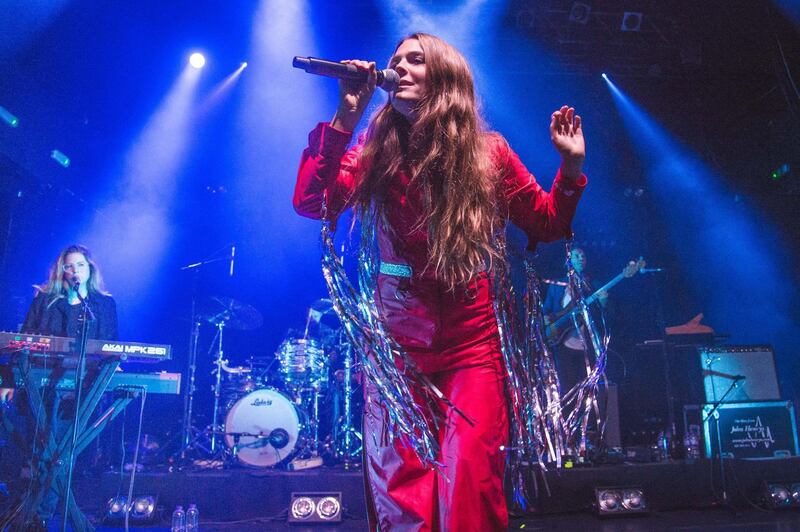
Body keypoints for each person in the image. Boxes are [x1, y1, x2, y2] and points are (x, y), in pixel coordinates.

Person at [294, 33, 586, 531]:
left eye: (415, 60)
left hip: (472, 348)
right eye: (395, 61)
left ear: (445, 77)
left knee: (470, 483)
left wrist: (571, 165)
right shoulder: (373, 149)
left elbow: (546, 222)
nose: (399, 68)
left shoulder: (488, 153)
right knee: (403, 496)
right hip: (397, 349)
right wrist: (345, 117)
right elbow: (313, 203)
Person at [0, 244, 118, 529]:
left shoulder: (103, 304)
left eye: (80, 265)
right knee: (42, 451)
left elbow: (111, 345)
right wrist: (9, 380)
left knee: (61, 453)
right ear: (61, 271)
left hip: (81, 388)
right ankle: (36, 516)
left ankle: (35, 516)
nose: (74, 270)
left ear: (90, 269)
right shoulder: (45, 300)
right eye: (69, 266)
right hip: (41, 384)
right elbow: (23, 342)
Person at [542, 247, 609, 392]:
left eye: (583, 256)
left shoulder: (592, 286)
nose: (581, 258)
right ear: (568, 260)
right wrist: (546, 319)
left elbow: (603, 316)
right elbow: (546, 309)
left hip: (586, 345)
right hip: (562, 344)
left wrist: (603, 302)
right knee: (567, 388)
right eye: (577, 256)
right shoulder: (557, 286)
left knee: (588, 391)